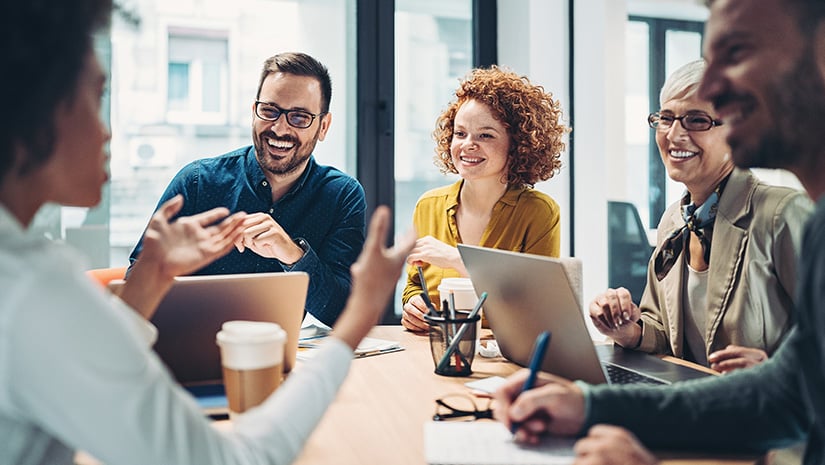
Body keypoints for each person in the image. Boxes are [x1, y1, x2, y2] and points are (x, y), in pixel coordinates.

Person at [0, 2, 415, 464]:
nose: (108, 132)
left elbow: (84, 376)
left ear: (322, 126)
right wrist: (360, 319)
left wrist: (156, 276)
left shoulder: (27, 274)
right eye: (96, 100)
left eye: (299, 117)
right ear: (38, 111)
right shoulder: (36, 288)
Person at [493, 0, 825, 463]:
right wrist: (587, 405)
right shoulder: (806, 225)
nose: (712, 87)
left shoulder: (789, 215)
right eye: (667, 116)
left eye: (737, 52)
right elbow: (780, 397)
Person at [589, 59, 811, 373]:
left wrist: (777, 370)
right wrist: (628, 330)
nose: (674, 135)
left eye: (697, 120)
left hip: (768, 413)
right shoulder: (674, 221)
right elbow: (666, 334)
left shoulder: (783, 214)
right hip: (696, 408)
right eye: (666, 118)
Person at [128, 51, 366, 327]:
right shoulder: (196, 182)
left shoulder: (342, 196)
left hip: (281, 360)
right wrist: (167, 267)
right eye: (269, 111)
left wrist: (292, 254)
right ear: (254, 112)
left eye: (299, 117)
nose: (279, 128)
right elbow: (133, 284)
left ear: (323, 126)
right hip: (189, 353)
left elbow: (343, 313)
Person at [401, 66, 567, 332]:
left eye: (485, 135)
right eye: (460, 133)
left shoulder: (539, 212)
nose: (467, 144)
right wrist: (413, 304)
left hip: (506, 360)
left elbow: (538, 308)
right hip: (435, 353)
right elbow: (415, 285)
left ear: (518, 143)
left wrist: (457, 259)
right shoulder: (428, 205)